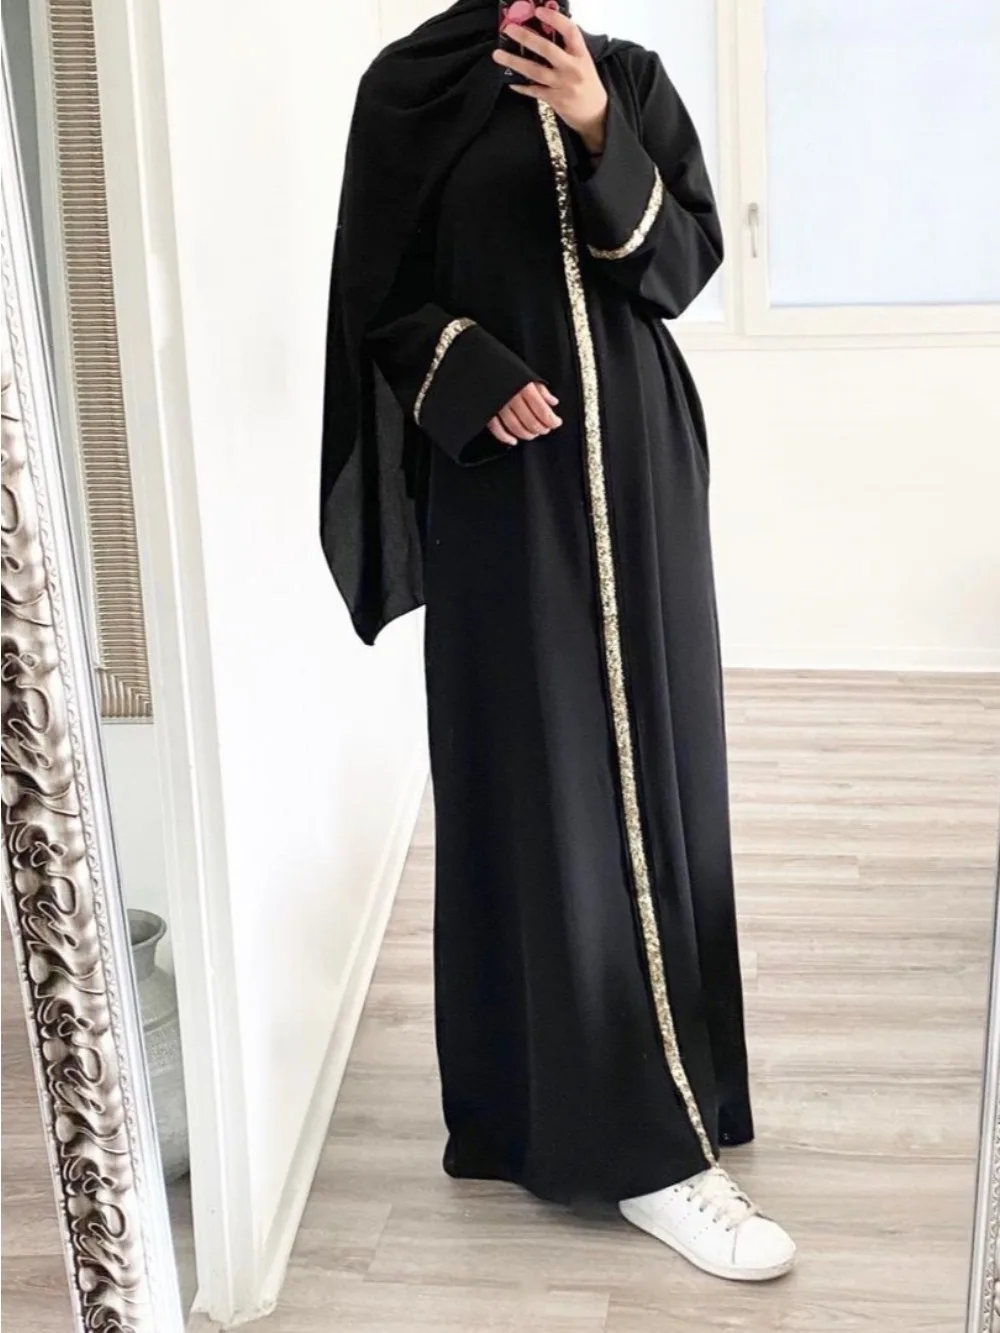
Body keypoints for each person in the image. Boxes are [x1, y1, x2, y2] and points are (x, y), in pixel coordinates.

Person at [319, 0, 796, 1282]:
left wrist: (595, 127)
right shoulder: (404, 91)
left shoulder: (627, 77)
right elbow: (377, 300)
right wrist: (468, 371)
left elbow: (680, 272)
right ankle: (616, 1138)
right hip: (503, 489)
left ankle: (673, 1097)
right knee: (543, 775)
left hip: (639, 466)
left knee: (658, 764)